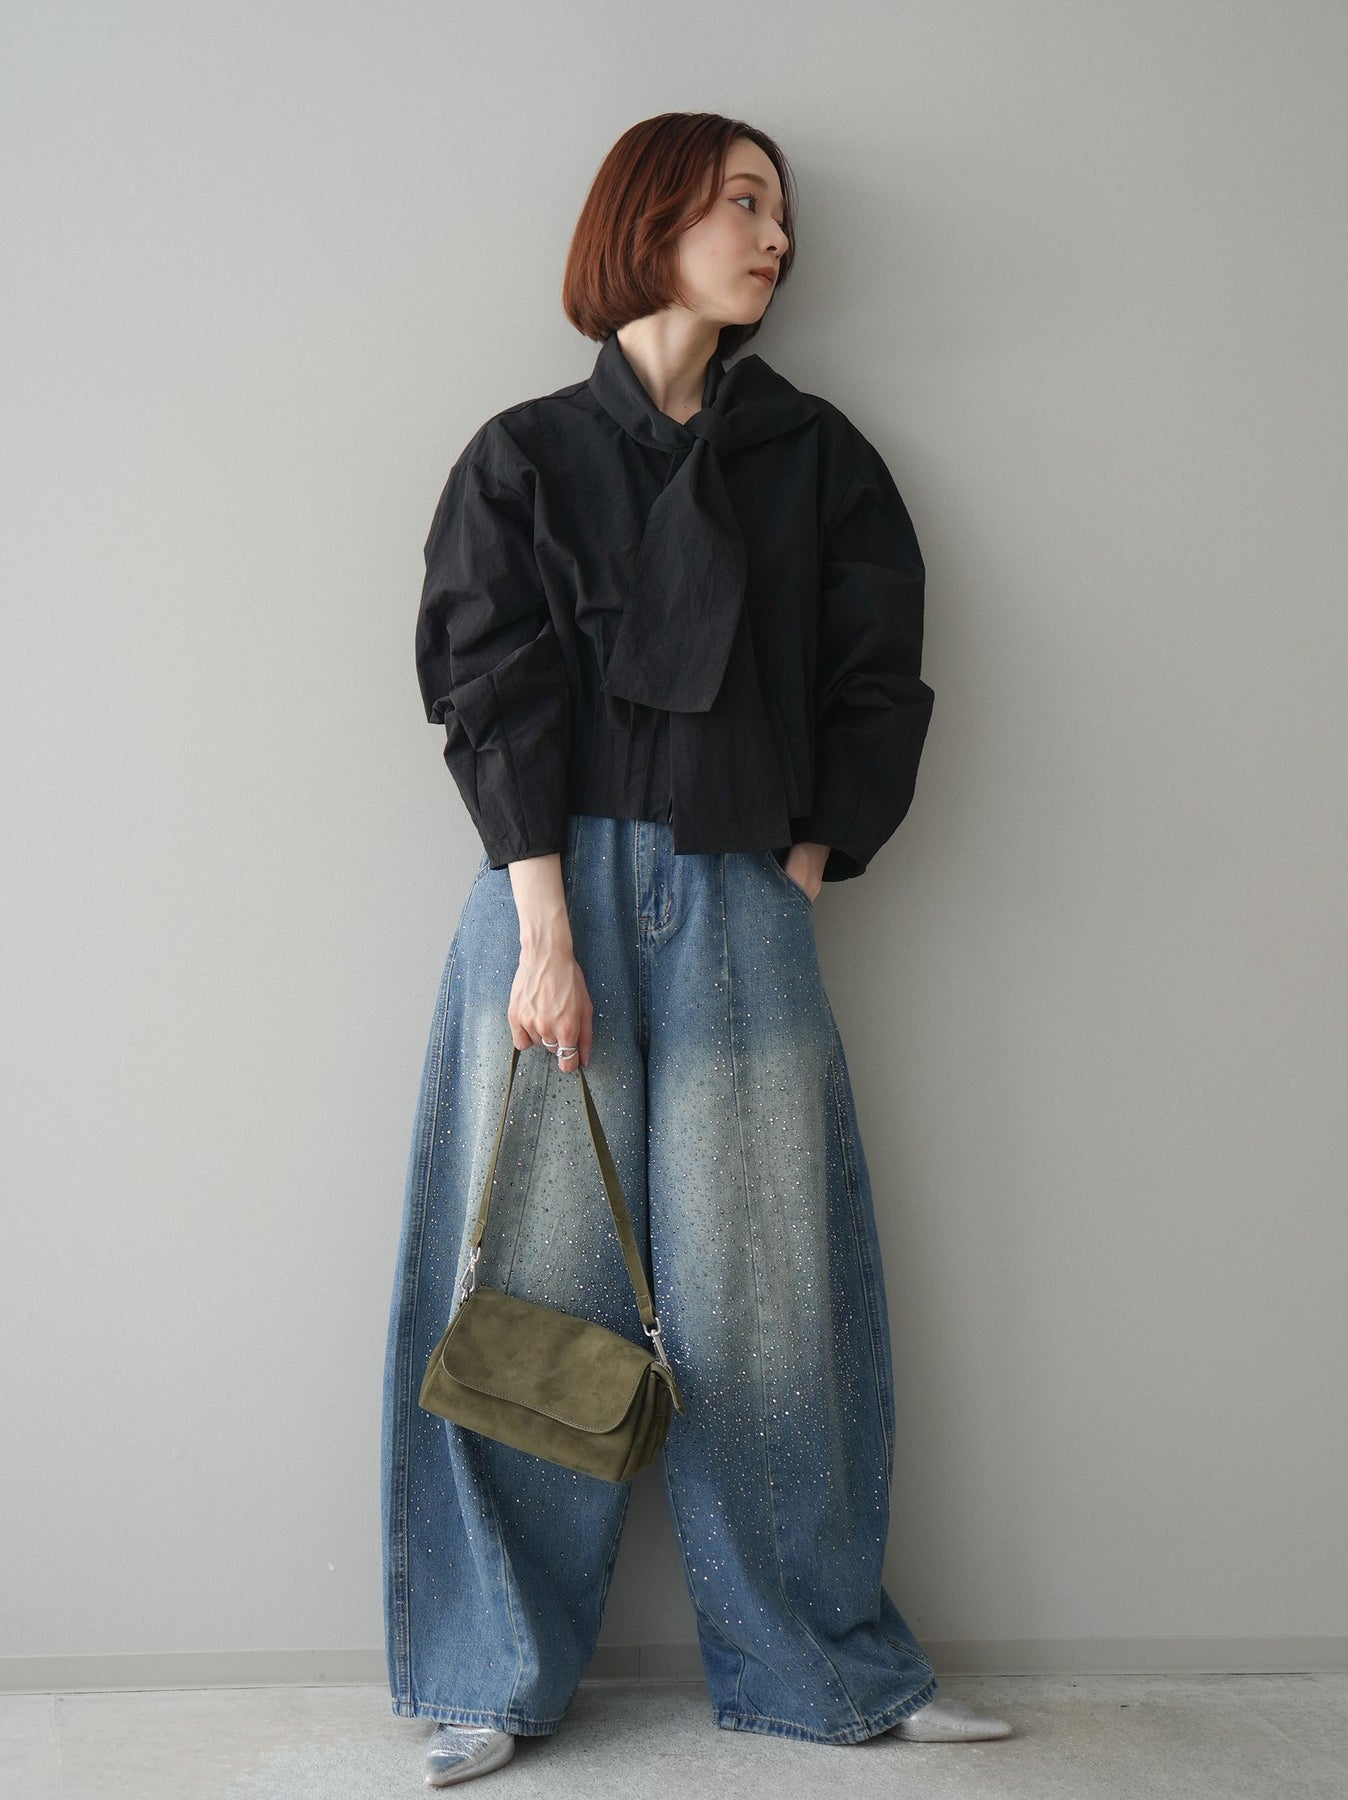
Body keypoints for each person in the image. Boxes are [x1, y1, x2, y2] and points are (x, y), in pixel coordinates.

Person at [381, 112, 1013, 1790]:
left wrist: (800, 863)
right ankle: (490, 1674)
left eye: (782, 212)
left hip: (742, 889)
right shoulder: (525, 457)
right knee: (530, 1287)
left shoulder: (816, 457)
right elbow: (487, 683)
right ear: (649, 218)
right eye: (743, 202)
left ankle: (824, 1669)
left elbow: (878, 672)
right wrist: (545, 930)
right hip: (549, 890)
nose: (774, 236)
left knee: (769, 1299)